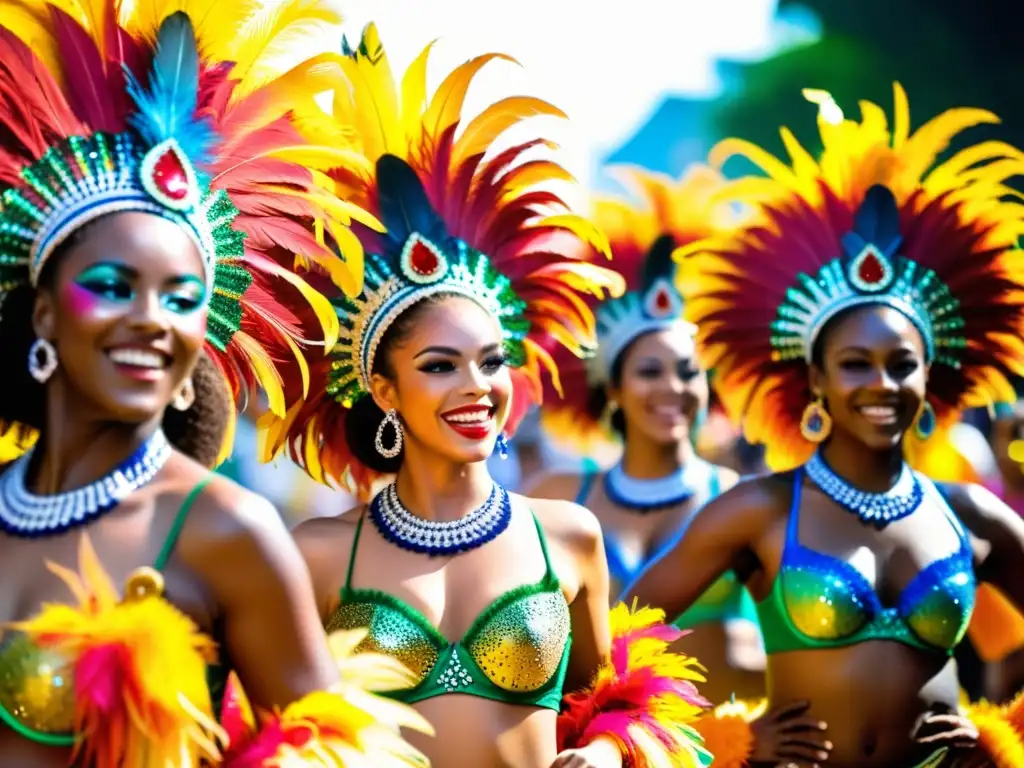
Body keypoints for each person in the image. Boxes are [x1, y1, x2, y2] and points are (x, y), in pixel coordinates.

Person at [262, 24, 714, 768]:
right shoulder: (315, 555)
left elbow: (616, 706)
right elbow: (274, 736)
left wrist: (605, 751)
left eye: (491, 360)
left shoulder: (567, 536)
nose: (476, 386)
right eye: (440, 366)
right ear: (384, 390)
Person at [0, 2, 429, 765]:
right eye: (111, 285)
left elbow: (325, 751)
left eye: (181, 298)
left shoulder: (228, 531)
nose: (150, 320)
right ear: (42, 312)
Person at [625, 84, 1024, 767]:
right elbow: (614, 638)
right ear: (816, 380)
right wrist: (725, 742)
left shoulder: (972, 516)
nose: (881, 384)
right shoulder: (758, 511)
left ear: (929, 375)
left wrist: (1005, 737)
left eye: (902, 364)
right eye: (855, 364)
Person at [529, 165, 765, 704]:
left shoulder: (739, 499)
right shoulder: (558, 496)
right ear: (612, 389)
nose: (673, 388)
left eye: (688, 371)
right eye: (649, 372)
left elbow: (790, 639)